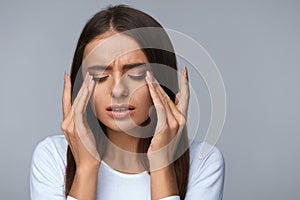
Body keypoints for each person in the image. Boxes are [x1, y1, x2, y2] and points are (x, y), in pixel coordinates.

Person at [30, 4, 225, 200]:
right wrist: (86, 167)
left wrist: (161, 162)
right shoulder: (52, 156)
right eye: (99, 77)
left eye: (136, 75)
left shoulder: (204, 161)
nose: (118, 91)